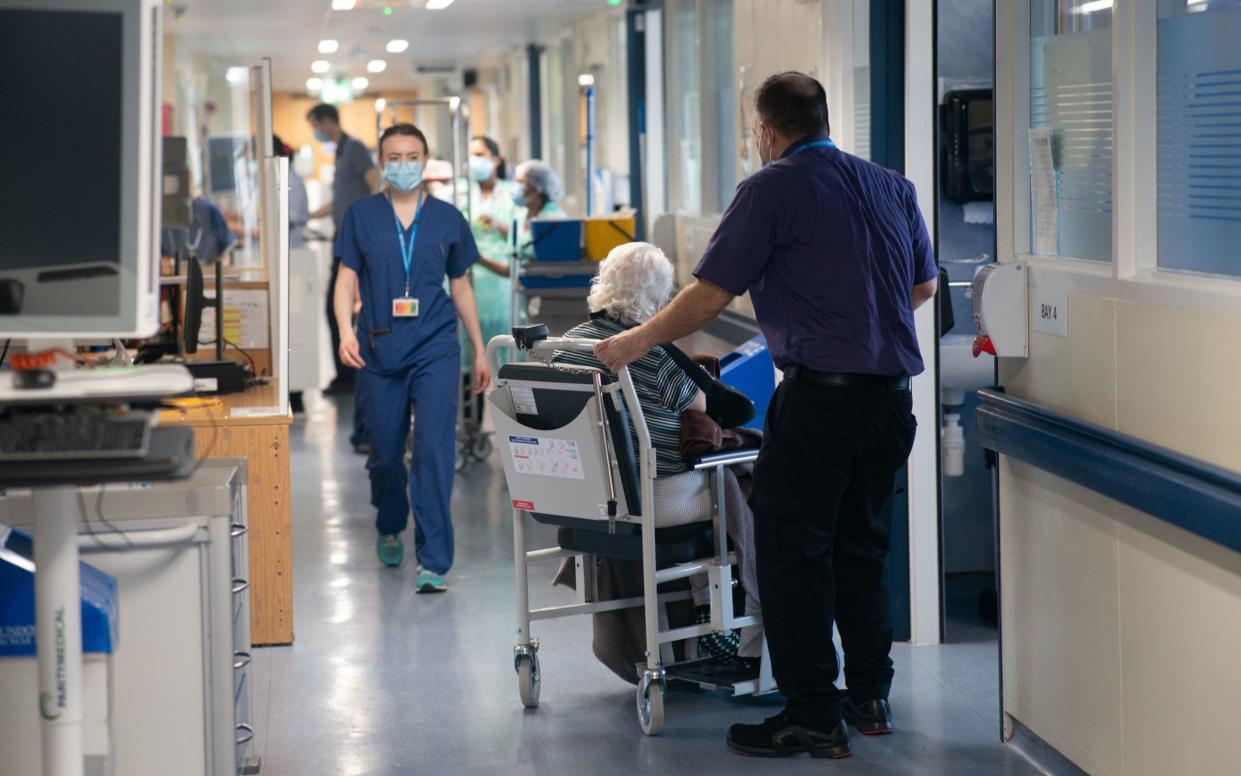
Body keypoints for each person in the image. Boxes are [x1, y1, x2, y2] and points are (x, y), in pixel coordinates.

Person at [594, 72, 938, 760]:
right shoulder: (890, 186)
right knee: (862, 548)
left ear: (766, 130)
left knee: (791, 557)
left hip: (820, 403)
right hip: (890, 402)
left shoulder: (770, 187)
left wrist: (628, 344)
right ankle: (870, 698)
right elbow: (922, 286)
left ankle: (811, 713)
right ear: (823, 120)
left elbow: (707, 296)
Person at [550, 242, 763, 680]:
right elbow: (702, 404)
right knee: (753, 481)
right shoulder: (647, 350)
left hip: (590, 494)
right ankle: (744, 632)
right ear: (656, 300)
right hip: (659, 495)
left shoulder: (563, 347)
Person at [332, 122, 491, 593]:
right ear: (382, 163)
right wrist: (345, 330)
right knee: (384, 455)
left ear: (425, 161)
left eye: (412, 155)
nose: (404, 164)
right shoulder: (361, 216)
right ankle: (390, 520)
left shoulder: (447, 219)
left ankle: (434, 561)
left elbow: (461, 286)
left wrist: (480, 349)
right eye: (394, 157)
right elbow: (346, 278)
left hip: (436, 345)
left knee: (433, 451)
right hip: (379, 346)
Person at [307, 103, 377, 408]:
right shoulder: (341, 151)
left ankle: (349, 374)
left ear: (326, 121)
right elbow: (340, 200)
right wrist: (308, 215)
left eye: (316, 125)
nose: (316, 132)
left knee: (343, 307)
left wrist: (372, 227)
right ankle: (347, 373)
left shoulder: (356, 148)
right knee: (337, 308)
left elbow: (374, 184)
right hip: (343, 237)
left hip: (357, 240)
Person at [467, 136, 518, 354]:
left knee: (501, 338)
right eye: (471, 156)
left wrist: (499, 225)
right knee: (471, 332)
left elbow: (522, 232)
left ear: (496, 160)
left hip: (500, 278)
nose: (474, 161)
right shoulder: (463, 193)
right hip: (470, 277)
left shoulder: (512, 193)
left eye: (479, 155)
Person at [512, 159, 567, 258]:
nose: (515, 187)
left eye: (520, 182)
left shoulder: (555, 220)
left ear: (535, 189)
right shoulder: (519, 216)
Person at [272, 134, 309, 249]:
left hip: (291, 250)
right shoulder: (276, 179)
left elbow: (288, 222)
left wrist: (256, 233)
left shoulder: (290, 181)